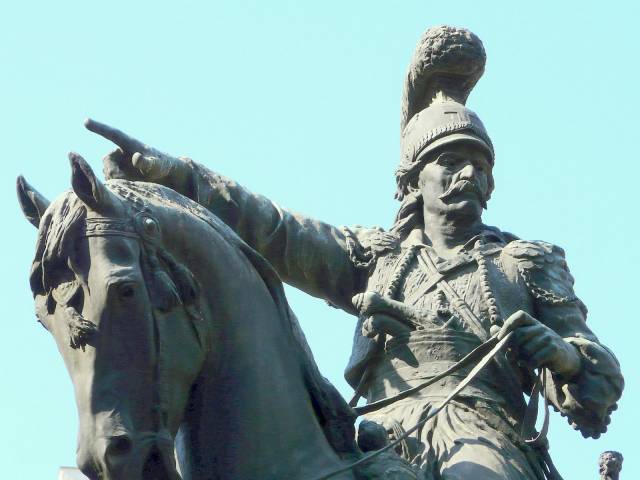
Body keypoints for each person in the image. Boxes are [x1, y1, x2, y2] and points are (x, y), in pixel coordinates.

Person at [86, 25, 623, 480]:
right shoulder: (376, 257)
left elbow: (599, 381)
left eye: (480, 165)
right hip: (375, 434)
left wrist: (563, 355)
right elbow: (275, 230)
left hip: (483, 437)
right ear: (414, 180)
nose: (468, 174)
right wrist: (174, 175)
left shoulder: (524, 263)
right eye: (450, 161)